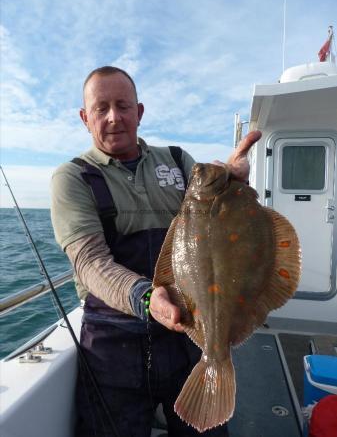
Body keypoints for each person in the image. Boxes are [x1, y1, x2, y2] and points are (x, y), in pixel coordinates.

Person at [51, 66, 261, 437]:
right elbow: (89, 263)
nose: (114, 117)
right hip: (112, 349)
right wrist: (147, 297)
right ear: (85, 118)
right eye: (101, 108)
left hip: (187, 339)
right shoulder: (72, 178)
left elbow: (223, 223)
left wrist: (235, 184)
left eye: (123, 105)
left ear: (140, 112)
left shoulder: (179, 161)